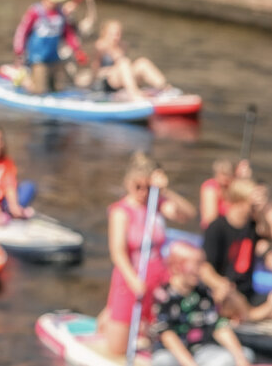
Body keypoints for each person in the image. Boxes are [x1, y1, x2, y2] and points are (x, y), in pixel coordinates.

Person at [101, 153, 197, 356]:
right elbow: (117, 253)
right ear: (128, 182)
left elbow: (188, 214)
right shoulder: (121, 212)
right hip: (131, 280)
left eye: (148, 187)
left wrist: (164, 191)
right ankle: (107, 322)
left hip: (157, 277)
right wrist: (133, 280)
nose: (143, 192)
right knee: (117, 349)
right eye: (138, 186)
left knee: (153, 333)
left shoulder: (157, 204)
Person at [151, 242, 255, 366]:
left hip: (201, 351)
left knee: (246, 354)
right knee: (162, 361)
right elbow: (167, 335)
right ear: (177, 266)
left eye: (202, 263)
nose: (201, 270)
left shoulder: (203, 293)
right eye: (196, 264)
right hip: (173, 354)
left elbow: (219, 326)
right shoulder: (163, 294)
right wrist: (190, 363)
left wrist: (240, 358)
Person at [201, 178, 272, 321]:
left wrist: (263, 210)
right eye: (252, 203)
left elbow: (268, 231)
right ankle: (253, 315)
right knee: (232, 297)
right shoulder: (217, 227)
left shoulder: (253, 226)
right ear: (241, 201)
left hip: (247, 292)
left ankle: (254, 314)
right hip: (226, 291)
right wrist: (222, 284)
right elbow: (205, 269)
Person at [12, 0, 89, 95]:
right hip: (37, 58)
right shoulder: (35, 12)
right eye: (55, 0)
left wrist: (77, 50)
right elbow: (22, 32)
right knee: (39, 90)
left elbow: (68, 33)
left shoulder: (60, 14)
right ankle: (23, 80)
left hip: (53, 56)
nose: (57, 3)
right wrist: (19, 51)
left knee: (59, 86)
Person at [93, 19, 170, 102]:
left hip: (123, 79)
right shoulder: (100, 46)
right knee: (124, 63)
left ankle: (165, 88)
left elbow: (126, 69)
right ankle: (135, 95)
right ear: (105, 33)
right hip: (108, 82)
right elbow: (95, 71)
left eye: (118, 34)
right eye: (112, 34)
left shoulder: (123, 46)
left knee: (142, 62)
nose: (116, 37)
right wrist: (110, 70)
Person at [202, 159, 251, 230]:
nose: (224, 178)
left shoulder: (236, 187)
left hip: (234, 228)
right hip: (215, 230)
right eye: (222, 174)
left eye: (228, 174)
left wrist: (245, 180)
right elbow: (210, 219)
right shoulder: (211, 187)